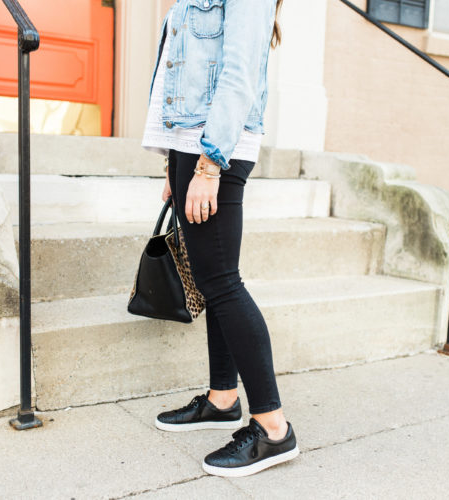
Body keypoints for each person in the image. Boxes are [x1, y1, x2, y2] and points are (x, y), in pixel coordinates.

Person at [140, 0, 298, 477]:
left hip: (215, 147)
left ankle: (273, 430)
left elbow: (239, 70)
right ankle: (222, 398)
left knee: (223, 282)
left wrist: (209, 164)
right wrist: (174, 161)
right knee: (214, 279)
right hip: (191, 145)